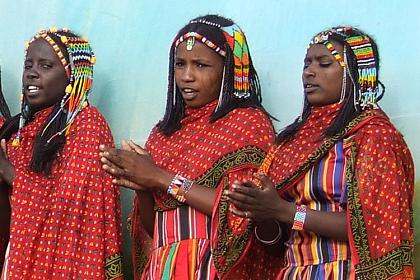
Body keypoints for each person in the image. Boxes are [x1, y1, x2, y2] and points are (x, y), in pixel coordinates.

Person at [223, 26, 414, 279]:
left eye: (324, 64)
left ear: (357, 75)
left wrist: (282, 210)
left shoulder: (373, 136)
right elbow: (274, 244)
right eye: (307, 64)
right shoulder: (291, 141)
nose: (309, 73)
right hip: (293, 272)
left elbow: (372, 225)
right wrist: (259, 212)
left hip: (345, 271)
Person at [99, 15, 275, 279]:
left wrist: (160, 177)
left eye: (201, 65)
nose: (186, 76)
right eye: (180, 64)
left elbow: (240, 213)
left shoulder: (247, 123)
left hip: (213, 267)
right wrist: (143, 187)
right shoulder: (163, 134)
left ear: (230, 71)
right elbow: (153, 229)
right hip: (164, 266)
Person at [0, 28, 123, 279]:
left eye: (46, 66)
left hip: (69, 265)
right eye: (28, 65)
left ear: (73, 77)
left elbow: (70, 204)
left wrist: (7, 170)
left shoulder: (87, 124)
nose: (32, 73)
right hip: (19, 259)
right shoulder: (18, 132)